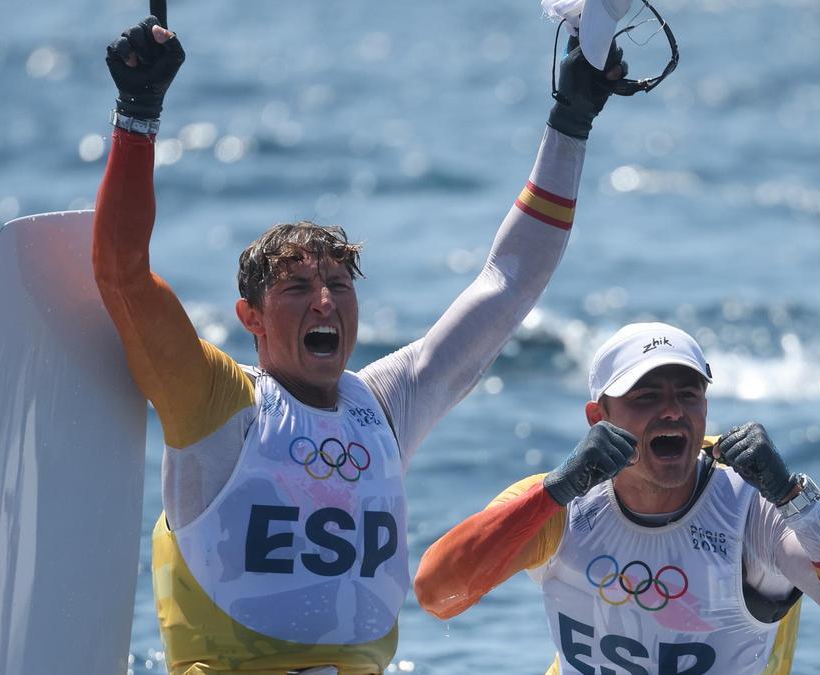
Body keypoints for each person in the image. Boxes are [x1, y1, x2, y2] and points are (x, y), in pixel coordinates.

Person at [91, 8, 638, 674]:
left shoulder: (384, 406)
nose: (324, 301)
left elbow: (509, 283)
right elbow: (123, 276)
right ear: (250, 316)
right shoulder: (214, 402)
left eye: (338, 285)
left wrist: (572, 121)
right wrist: (137, 113)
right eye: (297, 288)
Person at [414, 322, 820, 674]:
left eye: (688, 394)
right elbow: (436, 594)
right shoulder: (556, 504)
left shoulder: (753, 508)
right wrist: (557, 490)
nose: (673, 412)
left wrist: (792, 499)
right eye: (647, 396)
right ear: (597, 418)